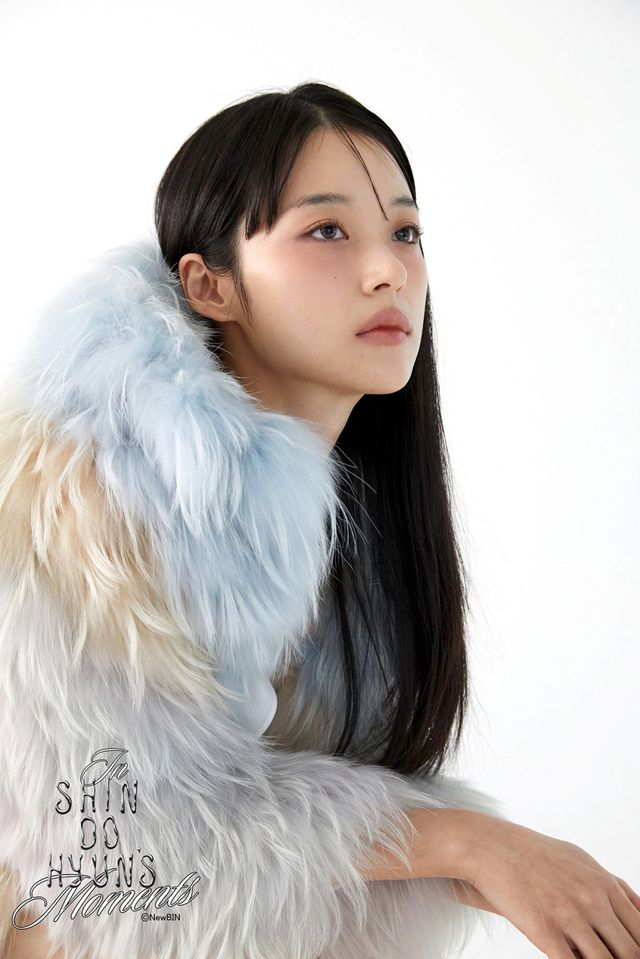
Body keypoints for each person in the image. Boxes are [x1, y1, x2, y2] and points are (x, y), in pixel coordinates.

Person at [0, 81, 638, 959]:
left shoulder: (344, 535)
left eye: (405, 233)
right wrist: (469, 843)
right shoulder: (70, 500)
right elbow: (98, 858)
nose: (389, 271)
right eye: (327, 231)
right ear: (210, 285)